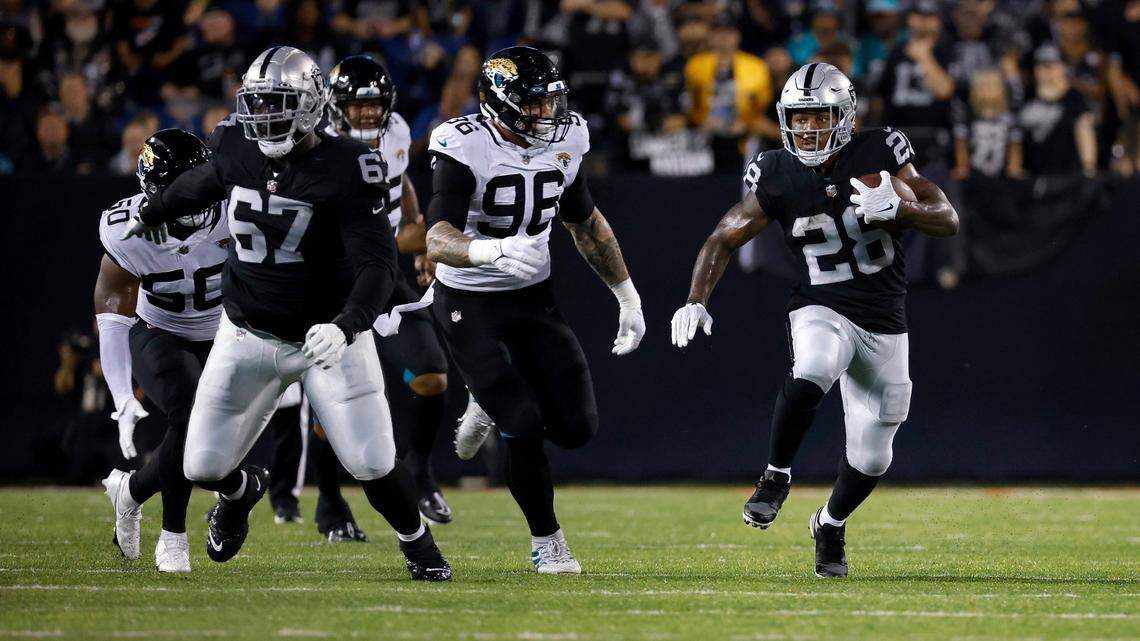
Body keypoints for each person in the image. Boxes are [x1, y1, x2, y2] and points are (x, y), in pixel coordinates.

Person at [122, 46, 451, 581]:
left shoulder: (349, 165)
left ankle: (417, 542)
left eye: (276, 103)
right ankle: (238, 498)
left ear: (309, 105)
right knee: (201, 464)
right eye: (255, 103)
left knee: (370, 461)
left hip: (326, 338)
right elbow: (204, 181)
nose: (262, 116)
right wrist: (154, 210)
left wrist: (347, 326)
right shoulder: (233, 142)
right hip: (247, 334)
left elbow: (377, 264)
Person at [671, 62, 959, 578]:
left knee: (874, 457)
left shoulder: (881, 151)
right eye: (798, 118)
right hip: (821, 305)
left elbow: (948, 218)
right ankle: (776, 475)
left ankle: (829, 523)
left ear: (845, 116)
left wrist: (901, 211)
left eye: (818, 116)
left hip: (885, 319)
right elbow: (724, 235)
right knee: (814, 367)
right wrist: (696, 298)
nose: (807, 129)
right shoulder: (776, 170)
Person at [424, 46, 645, 574]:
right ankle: (548, 542)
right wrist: (489, 250)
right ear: (500, 103)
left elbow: (585, 223)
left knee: (575, 428)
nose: (547, 115)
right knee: (520, 422)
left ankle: (485, 397)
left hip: (531, 297)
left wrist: (626, 294)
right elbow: (436, 238)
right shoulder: (463, 144)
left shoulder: (567, 137)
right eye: (533, 104)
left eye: (551, 102)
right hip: (468, 300)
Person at [321, 53, 454, 530]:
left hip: (383, 270)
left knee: (431, 375)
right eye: (357, 105)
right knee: (327, 392)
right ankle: (330, 500)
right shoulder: (317, 145)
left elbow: (399, 181)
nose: (367, 113)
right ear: (335, 107)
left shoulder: (396, 131)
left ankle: (418, 469)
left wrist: (418, 232)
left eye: (374, 104)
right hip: (333, 276)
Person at [95, 128, 229, 573]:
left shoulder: (236, 204)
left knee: (213, 444)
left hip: (226, 333)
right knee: (189, 415)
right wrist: (120, 399)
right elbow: (112, 310)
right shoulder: (128, 228)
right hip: (159, 330)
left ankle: (130, 492)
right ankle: (173, 537)